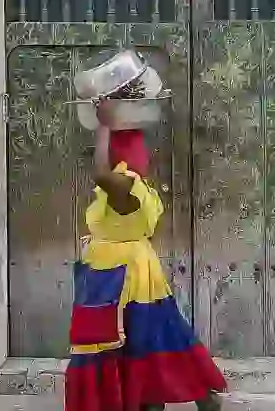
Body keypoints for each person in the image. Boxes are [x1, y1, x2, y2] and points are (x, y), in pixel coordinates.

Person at [64, 98, 227, 411]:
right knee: (150, 336)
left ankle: (185, 397)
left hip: (122, 278)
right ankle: (157, 399)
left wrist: (103, 127)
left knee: (137, 337)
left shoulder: (125, 187)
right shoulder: (129, 188)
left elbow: (100, 174)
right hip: (123, 273)